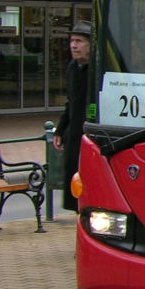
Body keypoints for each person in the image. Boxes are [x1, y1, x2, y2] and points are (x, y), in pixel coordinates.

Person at [53, 22, 92, 213]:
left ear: (91, 45)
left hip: (91, 133)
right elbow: (71, 102)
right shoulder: (73, 68)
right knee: (73, 175)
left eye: (79, 41)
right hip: (75, 133)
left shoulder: (97, 69)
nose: (74, 46)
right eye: (71, 41)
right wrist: (61, 129)